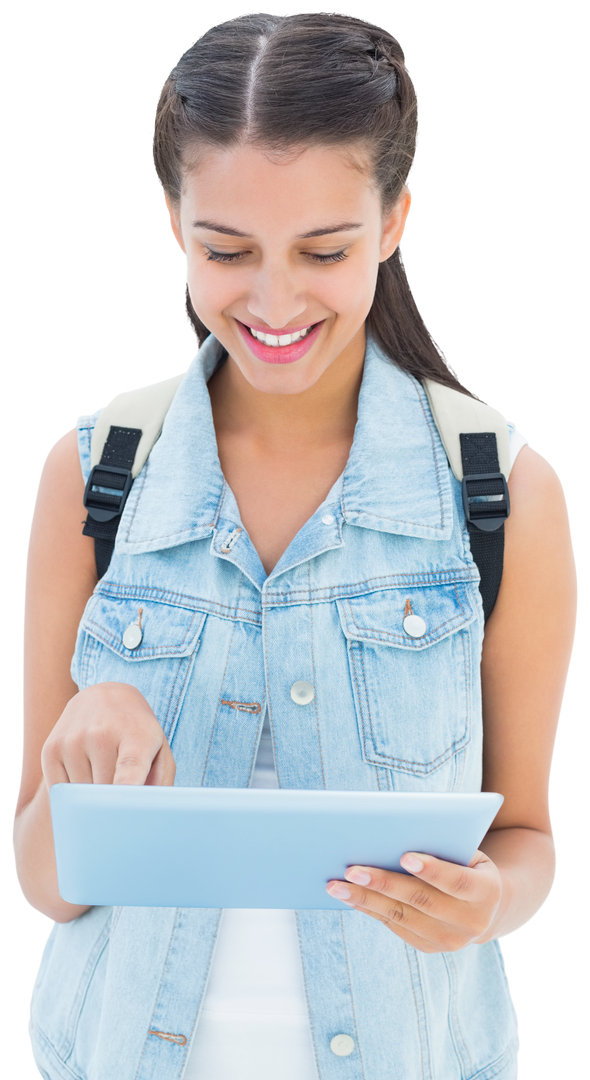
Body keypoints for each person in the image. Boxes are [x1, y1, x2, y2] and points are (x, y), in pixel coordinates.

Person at [13, 11, 579, 1080]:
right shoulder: (91, 478)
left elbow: (529, 837)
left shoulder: (500, 495)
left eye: (324, 250)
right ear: (174, 220)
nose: (273, 302)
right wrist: (79, 757)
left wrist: (486, 903)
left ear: (394, 219)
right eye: (226, 251)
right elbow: (44, 880)